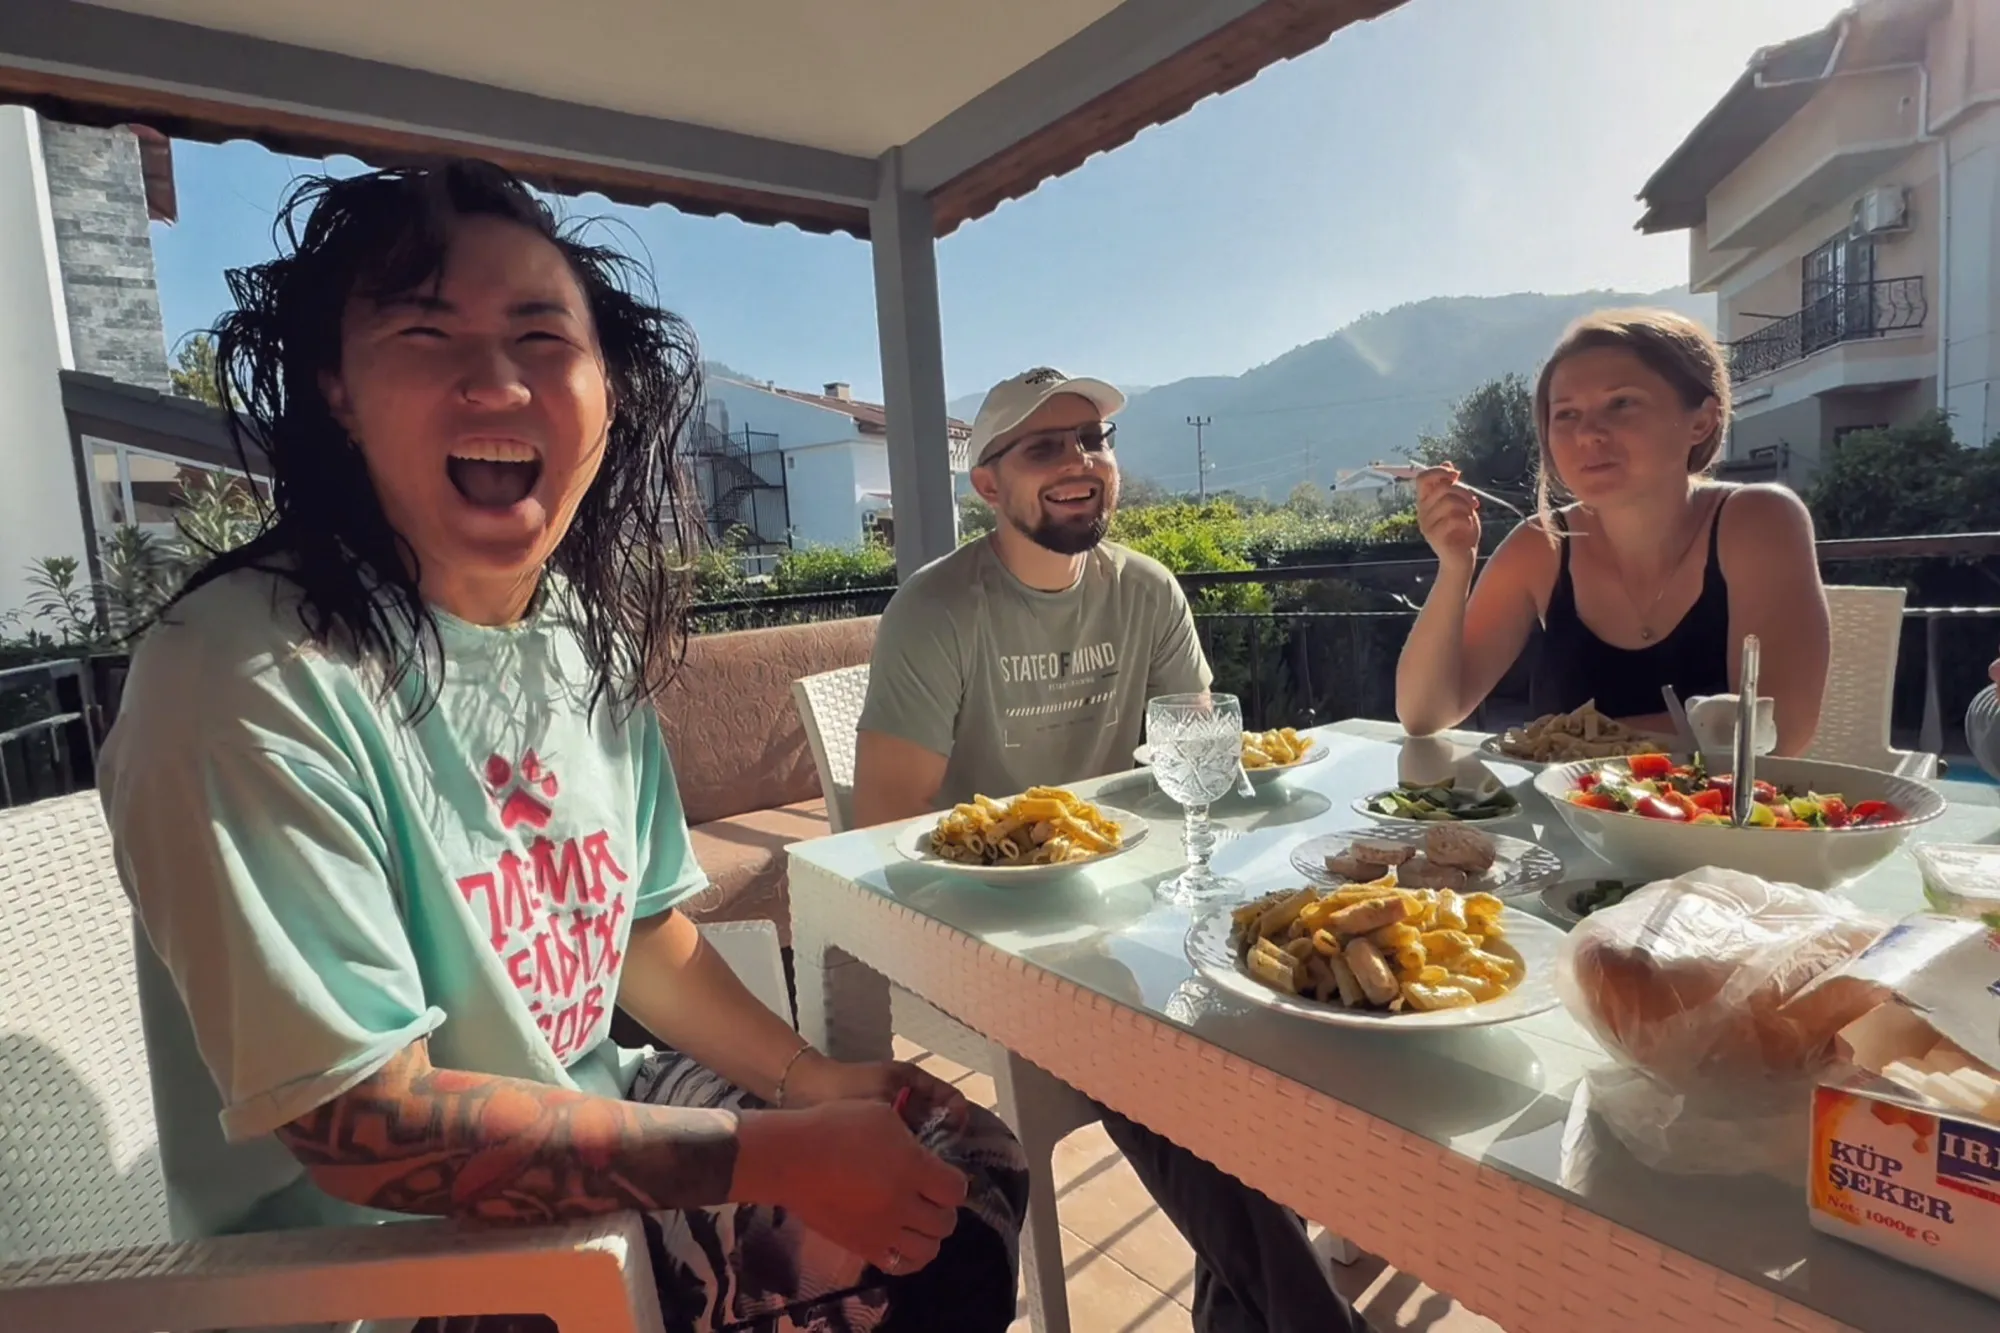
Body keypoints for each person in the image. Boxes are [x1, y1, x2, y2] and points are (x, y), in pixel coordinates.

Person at [99, 161, 1025, 1333]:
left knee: (955, 1165)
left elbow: (639, 934)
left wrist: (811, 1083)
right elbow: (360, 1126)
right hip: (382, 1270)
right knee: (902, 1259)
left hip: (589, 1116)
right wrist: (776, 1152)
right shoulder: (246, 674)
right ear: (338, 388)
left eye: (541, 337)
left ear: (607, 393)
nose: (495, 380)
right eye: (425, 333)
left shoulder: (576, 634)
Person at [853, 367, 1369, 1333]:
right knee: (1159, 1040)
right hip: (994, 927)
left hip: (1137, 903)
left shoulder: (1148, 591)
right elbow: (883, 821)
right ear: (987, 483)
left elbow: (1198, 759)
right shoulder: (939, 608)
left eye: (1093, 440)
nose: (1080, 461)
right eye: (1044, 446)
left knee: (1285, 990)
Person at [1395, 308, 1830, 755]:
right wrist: (1454, 567)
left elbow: (1779, 728)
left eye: (1621, 403)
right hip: (1564, 804)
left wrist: (1565, 742)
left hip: (1713, 803)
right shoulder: (1542, 545)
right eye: (1566, 414)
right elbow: (1424, 713)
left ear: (1701, 422)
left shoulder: (1758, 520)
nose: (1588, 434)